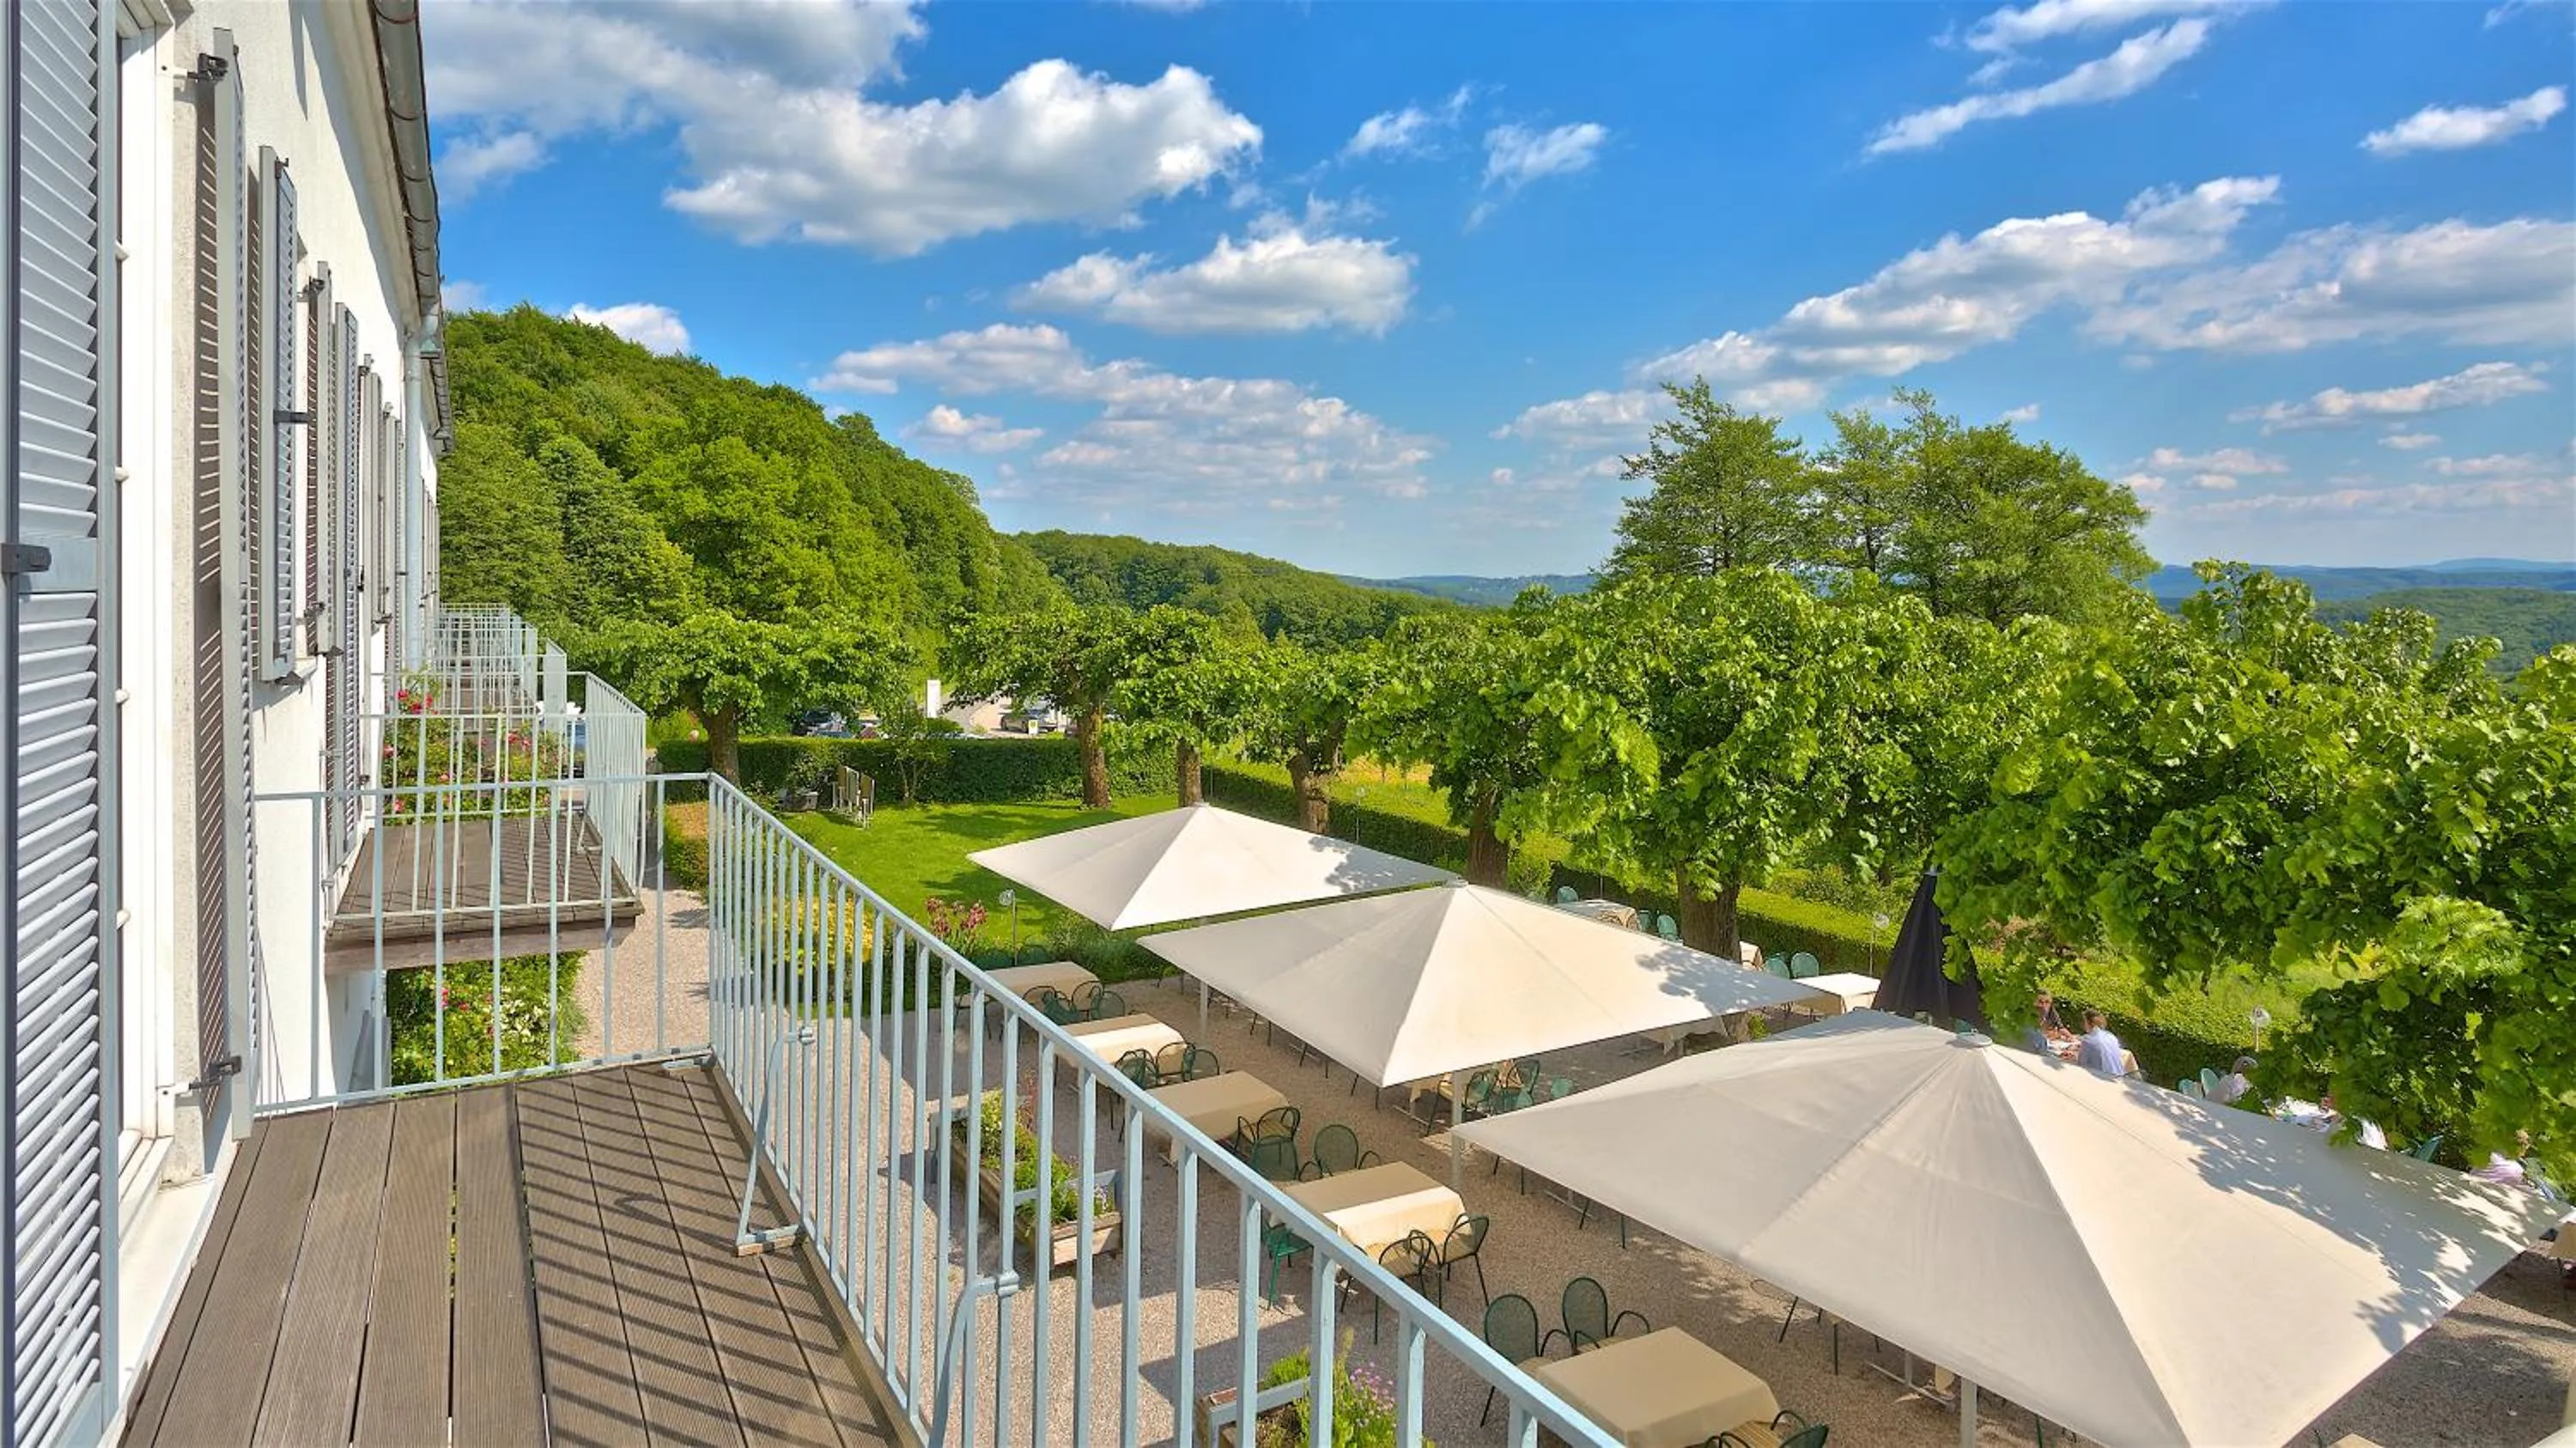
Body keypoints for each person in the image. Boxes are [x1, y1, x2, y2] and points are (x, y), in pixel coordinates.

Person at [2075, 1010, 2132, 1077]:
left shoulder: (2088, 1040)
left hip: (2102, 1078)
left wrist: (2075, 1056)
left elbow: (2081, 1064)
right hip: (2120, 1076)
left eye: (2084, 1021)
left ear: (2089, 1023)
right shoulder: (2111, 1036)